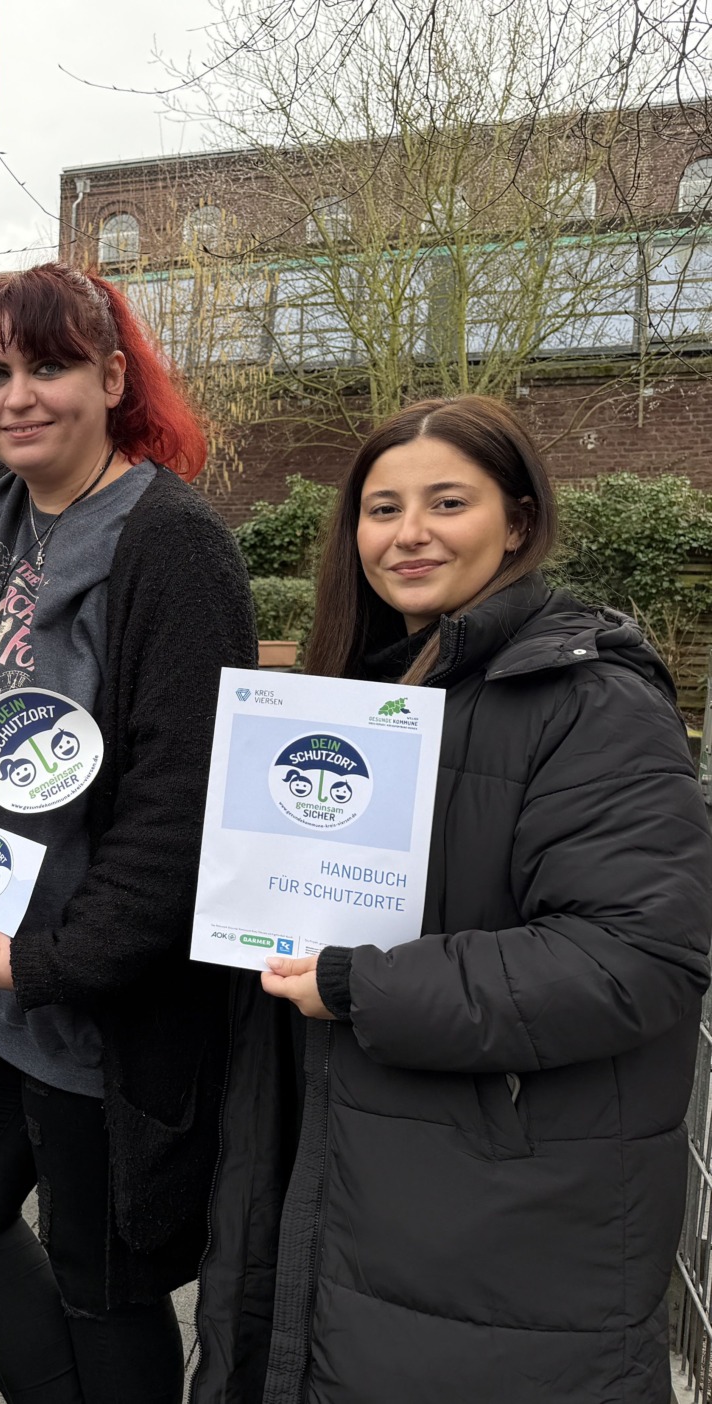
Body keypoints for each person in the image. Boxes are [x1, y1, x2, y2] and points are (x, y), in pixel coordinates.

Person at [191, 397, 712, 1404]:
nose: (409, 534)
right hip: (361, 1179)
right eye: (382, 509)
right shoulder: (362, 691)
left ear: (518, 522)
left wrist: (361, 986)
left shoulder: (591, 702)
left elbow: (636, 958)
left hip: (500, 1229)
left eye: (447, 502)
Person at [0, 263, 256, 1404]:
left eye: (49, 367)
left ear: (113, 380)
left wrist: (54, 963)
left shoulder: (174, 545)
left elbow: (180, 809)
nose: (15, 397)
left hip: (96, 995)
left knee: (102, 1279)